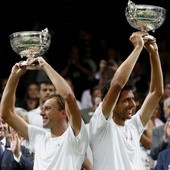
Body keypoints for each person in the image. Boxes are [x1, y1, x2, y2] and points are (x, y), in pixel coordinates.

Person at [88, 31, 164, 170]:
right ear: (111, 104)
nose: (133, 104)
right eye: (126, 100)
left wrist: (154, 53)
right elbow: (117, 84)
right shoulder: (100, 124)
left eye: (133, 99)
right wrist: (137, 48)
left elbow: (156, 92)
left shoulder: (133, 125)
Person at [0, 57, 89, 170]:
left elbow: (69, 97)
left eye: (47, 108)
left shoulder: (75, 136)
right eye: (41, 108)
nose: (41, 113)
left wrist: (45, 66)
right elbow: (6, 113)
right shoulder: (39, 136)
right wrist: (14, 76)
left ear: (63, 113)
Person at [150, 96, 170, 161]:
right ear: (164, 110)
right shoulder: (157, 130)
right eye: (169, 107)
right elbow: (153, 155)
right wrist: (165, 138)